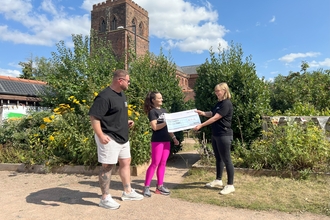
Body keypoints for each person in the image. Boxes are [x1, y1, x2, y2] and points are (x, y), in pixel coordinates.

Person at [88, 69, 143, 210]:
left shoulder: (121, 95)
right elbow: (94, 117)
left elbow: (114, 115)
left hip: (123, 137)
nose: (129, 83)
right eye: (128, 81)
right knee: (107, 167)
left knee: (125, 162)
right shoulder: (104, 96)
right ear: (120, 80)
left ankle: (128, 192)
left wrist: (126, 122)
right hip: (109, 137)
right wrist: (100, 135)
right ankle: (105, 198)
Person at [193, 82, 235, 195]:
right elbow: (212, 113)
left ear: (224, 91)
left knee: (227, 159)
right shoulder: (219, 103)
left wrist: (201, 125)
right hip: (216, 134)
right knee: (218, 158)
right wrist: (202, 113)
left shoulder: (226, 104)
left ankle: (230, 185)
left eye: (218, 91)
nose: (216, 93)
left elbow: (215, 118)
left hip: (224, 135)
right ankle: (218, 180)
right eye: (215, 91)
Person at [142, 91, 179, 197]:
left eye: (161, 97)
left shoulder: (164, 111)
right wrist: (166, 122)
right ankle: (146, 187)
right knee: (155, 163)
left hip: (166, 140)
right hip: (157, 141)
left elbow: (169, 127)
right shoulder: (152, 112)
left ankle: (159, 186)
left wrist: (174, 138)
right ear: (153, 100)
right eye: (159, 98)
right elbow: (155, 127)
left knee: (163, 163)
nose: (162, 99)